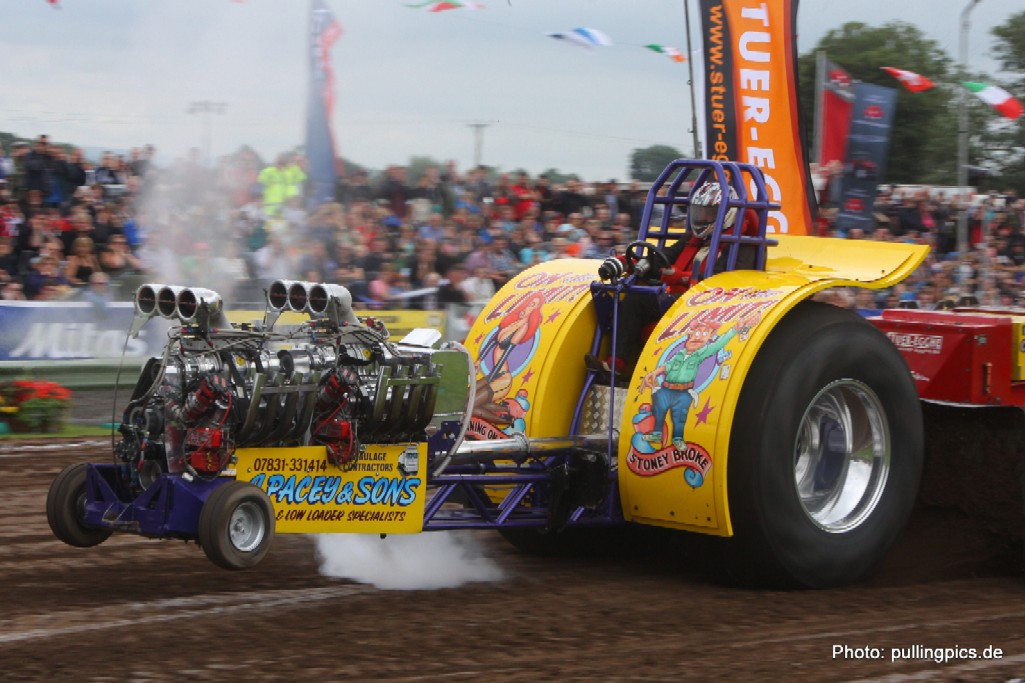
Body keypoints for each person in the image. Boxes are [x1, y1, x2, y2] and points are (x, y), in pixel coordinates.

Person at [587, 181, 761, 377]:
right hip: (678, 299)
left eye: (709, 214)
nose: (702, 218)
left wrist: (681, 278)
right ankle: (616, 364)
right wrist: (628, 263)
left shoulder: (742, 245)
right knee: (630, 294)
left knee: (639, 300)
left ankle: (623, 366)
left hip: (709, 306)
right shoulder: (694, 239)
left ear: (727, 214)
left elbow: (724, 279)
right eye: (699, 213)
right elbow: (664, 258)